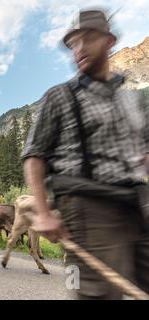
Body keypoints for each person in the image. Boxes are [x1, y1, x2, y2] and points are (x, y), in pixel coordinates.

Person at [21, 9, 149, 299]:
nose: (78, 50)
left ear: (109, 41)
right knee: (96, 294)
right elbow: (34, 156)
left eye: (87, 39)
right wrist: (43, 213)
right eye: (72, 44)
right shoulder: (60, 96)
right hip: (88, 209)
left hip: (138, 202)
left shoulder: (131, 98)